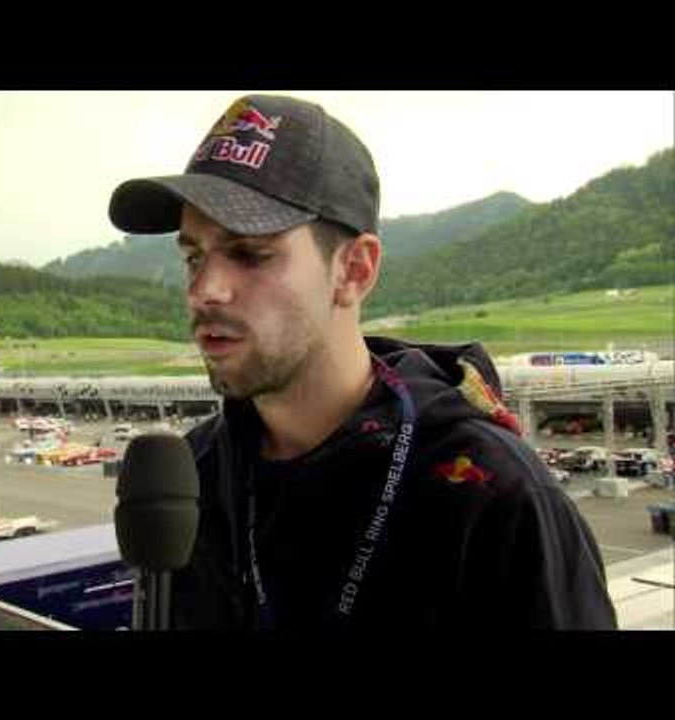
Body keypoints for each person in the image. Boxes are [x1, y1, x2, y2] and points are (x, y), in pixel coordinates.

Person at [108, 94, 617, 630]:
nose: (203, 290)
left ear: (354, 270)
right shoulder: (193, 475)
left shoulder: (492, 496)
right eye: (194, 256)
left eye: (249, 254)